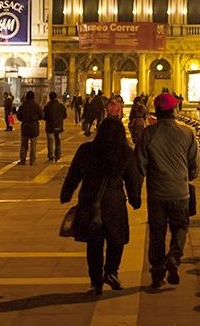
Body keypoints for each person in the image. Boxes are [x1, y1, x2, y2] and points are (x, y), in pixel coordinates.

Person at [60, 117, 142, 296]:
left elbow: (74, 174)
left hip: (90, 200)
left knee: (94, 243)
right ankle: (111, 271)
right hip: (114, 201)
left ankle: (96, 282)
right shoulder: (125, 152)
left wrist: (66, 193)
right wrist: (135, 199)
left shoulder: (86, 150)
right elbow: (133, 179)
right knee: (116, 239)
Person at [135, 92, 199, 289]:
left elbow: (140, 164)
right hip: (180, 191)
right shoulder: (187, 132)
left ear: (157, 111)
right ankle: (174, 257)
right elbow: (194, 166)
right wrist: (186, 175)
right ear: (174, 110)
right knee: (180, 227)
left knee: (157, 232)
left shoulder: (148, 134)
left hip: (157, 192)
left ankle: (157, 273)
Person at [16, 90, 43, 165]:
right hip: (34, 127)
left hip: (25, 126)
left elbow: (18, 116)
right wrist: (36, 118)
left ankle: (22, 160)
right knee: (33, 145)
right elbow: (42, 115)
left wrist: (23, 119)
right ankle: (32, 160)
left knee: (24, 145)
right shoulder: (36, 106)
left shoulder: (23, 106)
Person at [43, 91, 67, 162]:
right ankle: (58, 156)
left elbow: (44, 116)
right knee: (58, 142)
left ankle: (51, 157)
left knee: (50, 142)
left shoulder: (47, 106)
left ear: (50, 98)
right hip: (59, 126)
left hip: (50, 126)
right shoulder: (61, 106)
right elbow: (65, 116)